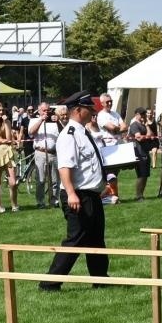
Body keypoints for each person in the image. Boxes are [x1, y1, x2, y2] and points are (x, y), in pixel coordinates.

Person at [40, 93, 108, 291]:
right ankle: (49, 283)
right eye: (89, 109)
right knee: (75, 239)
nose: (93, 113)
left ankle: (101, 279)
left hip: (90, 194)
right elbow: (64, 167)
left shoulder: (82, 132)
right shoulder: (69, 134)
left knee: (96, 238)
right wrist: (71, 193)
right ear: (78, 110)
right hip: (78, 194)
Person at [26, 101, 62, 209]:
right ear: (39, 110)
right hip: (40, 152)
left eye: (48, 110)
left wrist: (59, 121)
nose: (46, 112)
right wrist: (41, 120)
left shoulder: (54, 121)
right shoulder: (34, 120)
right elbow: (31, 132)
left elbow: (62, 132)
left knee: (55, 180)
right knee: (41, 179)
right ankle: (40, 202)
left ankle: (54, 200)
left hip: (53, 153)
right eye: (44, 110)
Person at [128, 107, 155, 200]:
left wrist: (147, 125)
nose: (143, 115)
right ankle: (138, 195)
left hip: (145, 152)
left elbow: (151, 135)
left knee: (145, 175)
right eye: (142, 114)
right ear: (136, 114)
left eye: (144, 114)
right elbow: (138, 137)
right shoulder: (134, 125)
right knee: (141, 175)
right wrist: (147, 136)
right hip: (139, 153)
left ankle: (141, 194)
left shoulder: (143, 125)